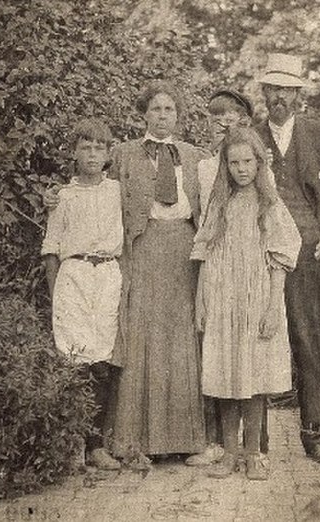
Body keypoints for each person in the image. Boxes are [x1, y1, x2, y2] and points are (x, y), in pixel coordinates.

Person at [255, 53, 320, 462]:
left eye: (286, 89)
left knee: (307, 341)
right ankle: (253, 444)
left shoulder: (319, 134)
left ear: (298, 94)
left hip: (309, 254)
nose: (279, 96)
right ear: (263, 93)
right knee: (254, 339)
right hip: (258, 253)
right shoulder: (250, 136)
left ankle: (314, 435)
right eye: (272, 89)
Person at [191, 127, 301, 480]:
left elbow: (280, 258)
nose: (241, 169)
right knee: (224, 373)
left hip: (256, 300)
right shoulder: (219, 205)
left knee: (253, 375)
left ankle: (253, 453)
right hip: (223, 299)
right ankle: (229, 453)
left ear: (259, 162)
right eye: (234, 162)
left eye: (248, 161)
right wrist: (201, 301)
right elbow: (205, 255)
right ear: (225, 165)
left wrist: (272, 307)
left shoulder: (269, 204)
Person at [108, 80, 206, 461]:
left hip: (184, 249)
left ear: (178, 116)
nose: (163, 116)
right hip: (144, 247)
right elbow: (97, 191)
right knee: (142, 334)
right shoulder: (122, 153)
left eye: (169, 110)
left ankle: (186, 441)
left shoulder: (196, 157)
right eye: (156, 109)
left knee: (182, 336)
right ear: (144, 114)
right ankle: (136, 441)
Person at [41, 118, 123, 470]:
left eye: (99, 148)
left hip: (107, 274)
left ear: (107, 154)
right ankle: (73, 443)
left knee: (103, 358)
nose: (92, 154)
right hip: (72, 276)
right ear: (74, 153)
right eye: (85, 147)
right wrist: (55, 293)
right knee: (74, 358)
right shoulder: (62, 196)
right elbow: (51, 247)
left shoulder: (117, 191)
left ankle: (96, 445)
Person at [185, 88, 255, 468]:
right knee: (213, 350)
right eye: (217, 120)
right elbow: (198, 215)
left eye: (233, 119)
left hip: (248, 267)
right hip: (212, 261)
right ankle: (216, 441)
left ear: (242, 123)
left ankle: (253, 446)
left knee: (247, 354)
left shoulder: (250, 163)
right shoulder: (203, 166)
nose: (225, 126)